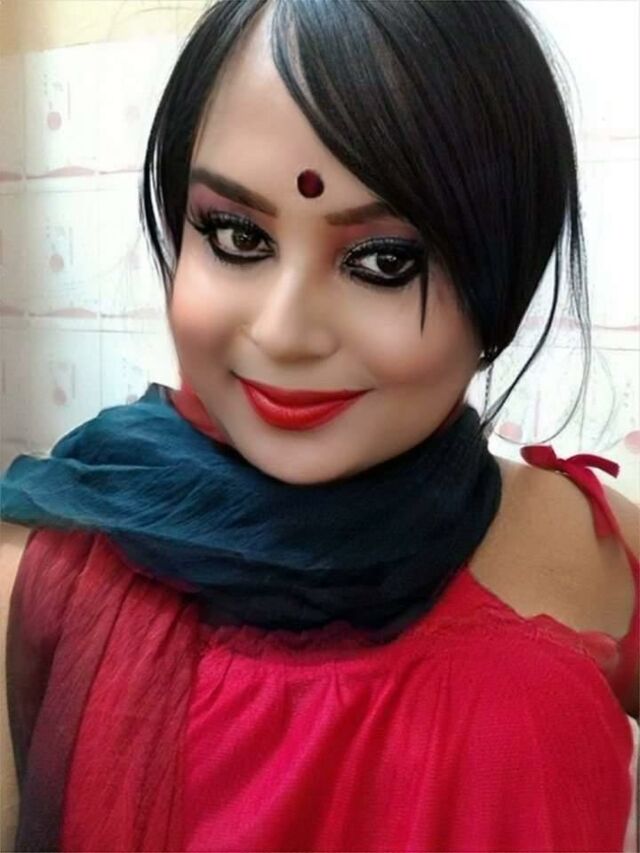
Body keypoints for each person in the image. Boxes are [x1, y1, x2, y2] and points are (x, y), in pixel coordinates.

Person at [1, 0, 638, 850]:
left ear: (503, 277)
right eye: (236, 236)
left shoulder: (592, 550)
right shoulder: (51, 567)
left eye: (383, 260)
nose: (283, 332)